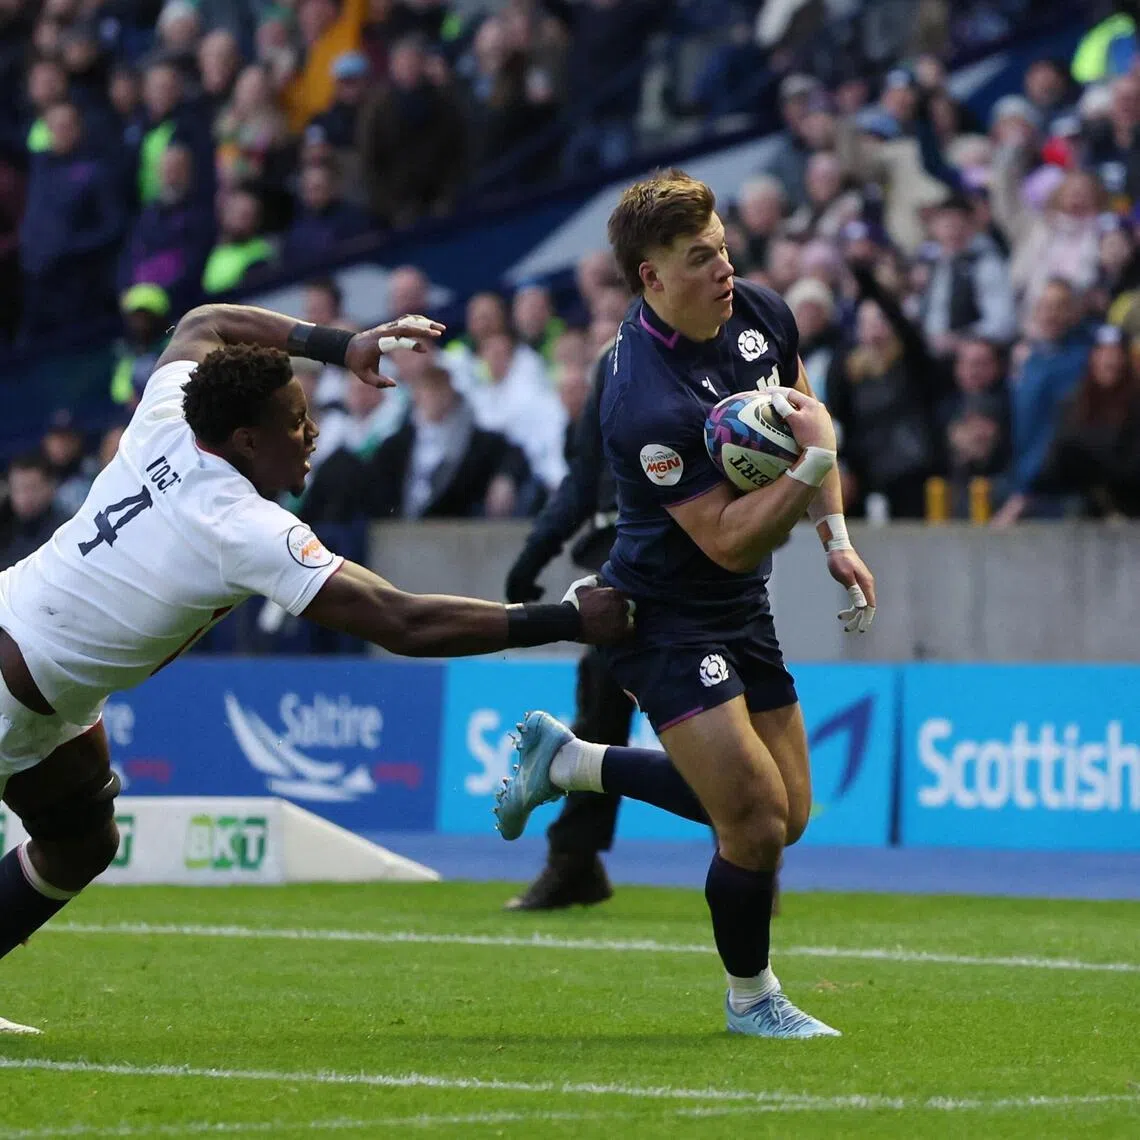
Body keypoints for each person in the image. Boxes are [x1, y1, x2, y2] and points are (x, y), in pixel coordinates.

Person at [0, 303, 631, 1035]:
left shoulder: (168, 416)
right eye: (295, 422)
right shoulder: (242, 526)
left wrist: (343, 345)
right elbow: (403, 620)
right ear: (245, 441)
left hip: (41, 686)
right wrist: (567, 618)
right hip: (16, 685)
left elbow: (203, 322)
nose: (314, 432)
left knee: (83, 841)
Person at [493, 169, 876, 1039]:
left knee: (788, 814)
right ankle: (753, 1000)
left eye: (725, 248)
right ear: (651, 278)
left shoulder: (763, 317)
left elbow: (807, 413)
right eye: (701, 258)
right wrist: (810, 467)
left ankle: (569, 762)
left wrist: (837, 539)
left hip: (743, 605)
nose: (724, 269)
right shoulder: (640, 397)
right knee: (750, 821)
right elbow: (728, 536)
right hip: (659, 614)